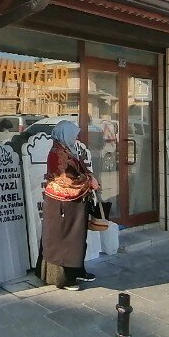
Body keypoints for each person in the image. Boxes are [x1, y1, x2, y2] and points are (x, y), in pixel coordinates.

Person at [35, 120, 100, 291]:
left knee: (77, 240)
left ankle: (77, 271)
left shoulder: (68, 150)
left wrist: (90, 177)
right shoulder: (56, 153)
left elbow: (80, 168)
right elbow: (65, 180)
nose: (76, 137)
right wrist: (89, 181)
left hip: (75, 203)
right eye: (73, 134)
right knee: (64, 240)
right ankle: (64, 279)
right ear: (65, 134)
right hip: (61, 204)